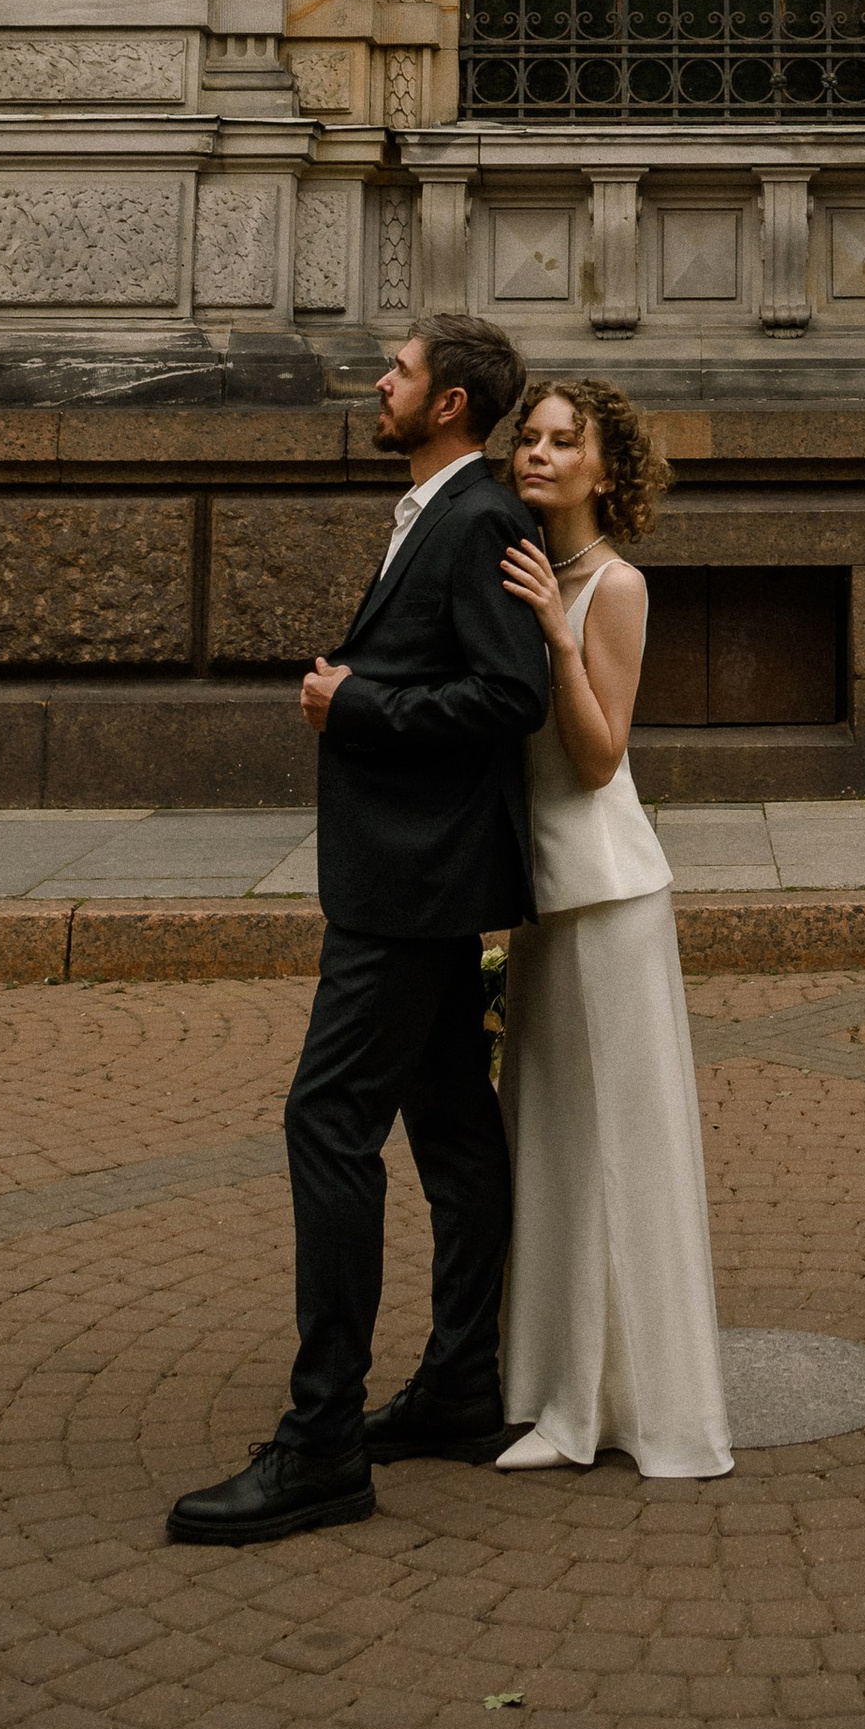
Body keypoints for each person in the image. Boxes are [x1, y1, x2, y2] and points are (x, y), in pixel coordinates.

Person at [168, 314, 548, 1546]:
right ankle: (458, 1385)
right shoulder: (438, 507)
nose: (376, 383)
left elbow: (506, 696)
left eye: (396, 371)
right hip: (410, 878)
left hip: (412, 886)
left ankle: (323, 1442)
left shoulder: (481, 511)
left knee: (326, 1123)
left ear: (446, 404)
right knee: (448, 1125)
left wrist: (358, 700)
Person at [492, 378, 733, 1480]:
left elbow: (597, 760)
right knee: (545, 1148)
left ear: (603, 468)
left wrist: (554, 630)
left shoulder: (614, 586)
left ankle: (612, 1413)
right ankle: (556, 1390)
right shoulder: (521, 563)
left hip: (607, 893)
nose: (536, 455)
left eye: (560, 443)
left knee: (612, 1156)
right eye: (527, 439)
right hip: (546, 895)